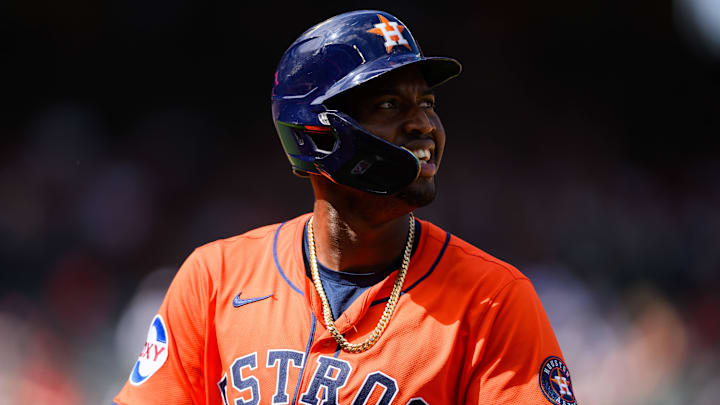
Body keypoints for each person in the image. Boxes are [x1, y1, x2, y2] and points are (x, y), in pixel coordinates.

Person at [114, 10, 577, 405]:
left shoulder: (494, 300)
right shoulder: (215, 279)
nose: (424, 125)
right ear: (317, 132)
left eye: (428, 103)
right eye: (391, 104)